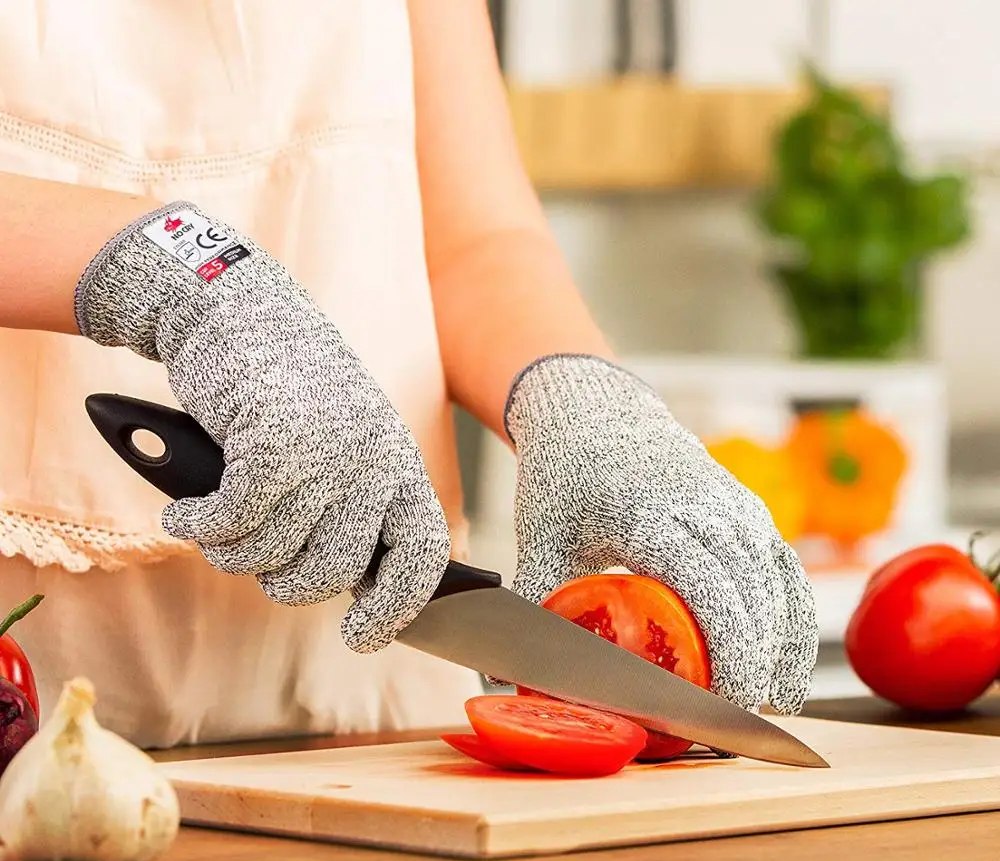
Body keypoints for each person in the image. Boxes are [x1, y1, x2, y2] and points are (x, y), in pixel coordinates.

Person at [0, 0, 818, 749]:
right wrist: (165, 267)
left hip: (374, 683)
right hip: (36, 698)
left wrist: (581, 402)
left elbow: (477, 240)